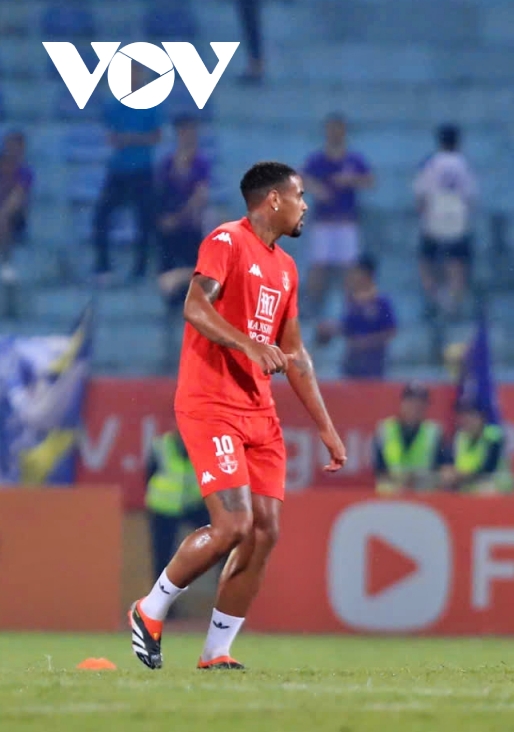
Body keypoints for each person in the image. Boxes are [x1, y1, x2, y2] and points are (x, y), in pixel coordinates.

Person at [127, 161, 347, 671]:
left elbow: (294, 354)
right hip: (211, 403)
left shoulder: (287, 269)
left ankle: (216, 652)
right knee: (233, 524)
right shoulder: (226, 241)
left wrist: (326, 426)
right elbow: (194, 306)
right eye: (300, 196)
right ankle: (151, 607)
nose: (305, 205)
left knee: (266, 530)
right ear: (274, 200)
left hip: (258, 410)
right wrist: (249, 344)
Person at [92, 64, 163, 283]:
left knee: (145, 219)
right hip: (119, 170)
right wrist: (136, 138)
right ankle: (103, 265)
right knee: (102, 214)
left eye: (137, 72)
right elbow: (112, 138)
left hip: (142, 170)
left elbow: (155, 137)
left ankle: (140, 269)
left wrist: (128, 139)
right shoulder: (114, 105)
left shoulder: (152, 104)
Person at [302, 114, 374, 317]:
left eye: (339, 129)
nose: (335, 133)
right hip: (323, 222)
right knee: (318, 268)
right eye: (332, 129)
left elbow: (370, 180)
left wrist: (351, 180)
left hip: (346, 222)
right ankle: (311, 310)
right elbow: (301, 178)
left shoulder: (353, 159)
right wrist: (317, 189)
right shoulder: (318, 159)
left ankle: (348, 311)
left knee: (350, 269)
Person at [156, 115, 211, 367]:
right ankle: (171, 353)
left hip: (189, 231)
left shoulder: (200, 164)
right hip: (169, 233)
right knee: (168, 292)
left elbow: (200, 197)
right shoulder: (167, 164)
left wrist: (178, 218)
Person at [414, 123, 478, 320]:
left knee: (426, 261)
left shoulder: (431, 163)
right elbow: (471, 197)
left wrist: (424, 218)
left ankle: (434, 299)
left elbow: (421, 195)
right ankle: (453, 306)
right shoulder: (464, 164)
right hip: (458, 219)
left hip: (434, 218)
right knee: (457, 264)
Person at [315, 253, 397, 379]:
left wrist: (366, 342)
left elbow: (391, 331)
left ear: (367, 275)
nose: (353, 276)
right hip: (351, 363)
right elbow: (344, 327)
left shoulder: (381, 302)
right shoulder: (348, 301)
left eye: (356, 272)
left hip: (375, 364)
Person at [144, 428, 208, 584]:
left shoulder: (203, 447)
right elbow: (148, 474)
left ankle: (225, 589)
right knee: (163, 558)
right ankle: (162, 603)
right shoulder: (160, 446)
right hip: (163, 509)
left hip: (193, 506)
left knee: (226, 535)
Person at [374, 383, 442, 493]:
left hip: (423, 494)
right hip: (391, 493)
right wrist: (398, 478)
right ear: (402, 404)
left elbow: (442, 470)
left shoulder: (434, 432)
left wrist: (417, 477)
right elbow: (377, 469)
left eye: (420, 403)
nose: (415, 407)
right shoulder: (385, 430)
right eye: (411, 402)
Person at [439, 398, 511, 494]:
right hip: (467, 492)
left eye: (471, 415)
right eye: (463, 415)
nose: (466, 419)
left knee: (487, 487)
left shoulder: (494, 436)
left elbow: (488, 469)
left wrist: (460, 475)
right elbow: (448, 461)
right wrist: (447, 470)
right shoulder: (459, 437)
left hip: (498, 493)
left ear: (482, 417)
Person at [0, 130, 32, 284]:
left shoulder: (25, 172)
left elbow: (17, 197)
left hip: (15, 217)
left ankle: (7, 263)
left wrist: (3, 212)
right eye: (9, 146)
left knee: (4, 219)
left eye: (15, 147)